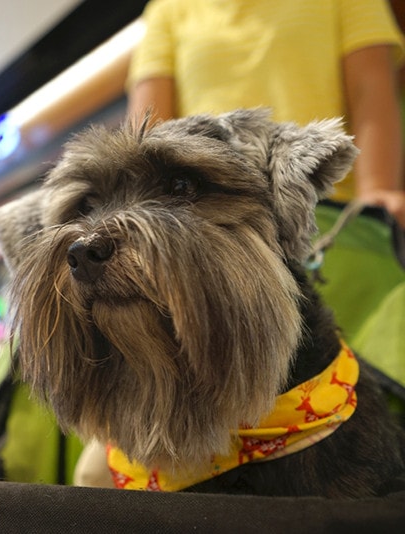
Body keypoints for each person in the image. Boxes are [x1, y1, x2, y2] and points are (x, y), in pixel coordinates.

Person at [125, 0, 405, 386]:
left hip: (334, 221)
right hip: (211, 234)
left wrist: (378, 189)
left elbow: (370, 86)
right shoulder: (169, 11)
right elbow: (145, 135)